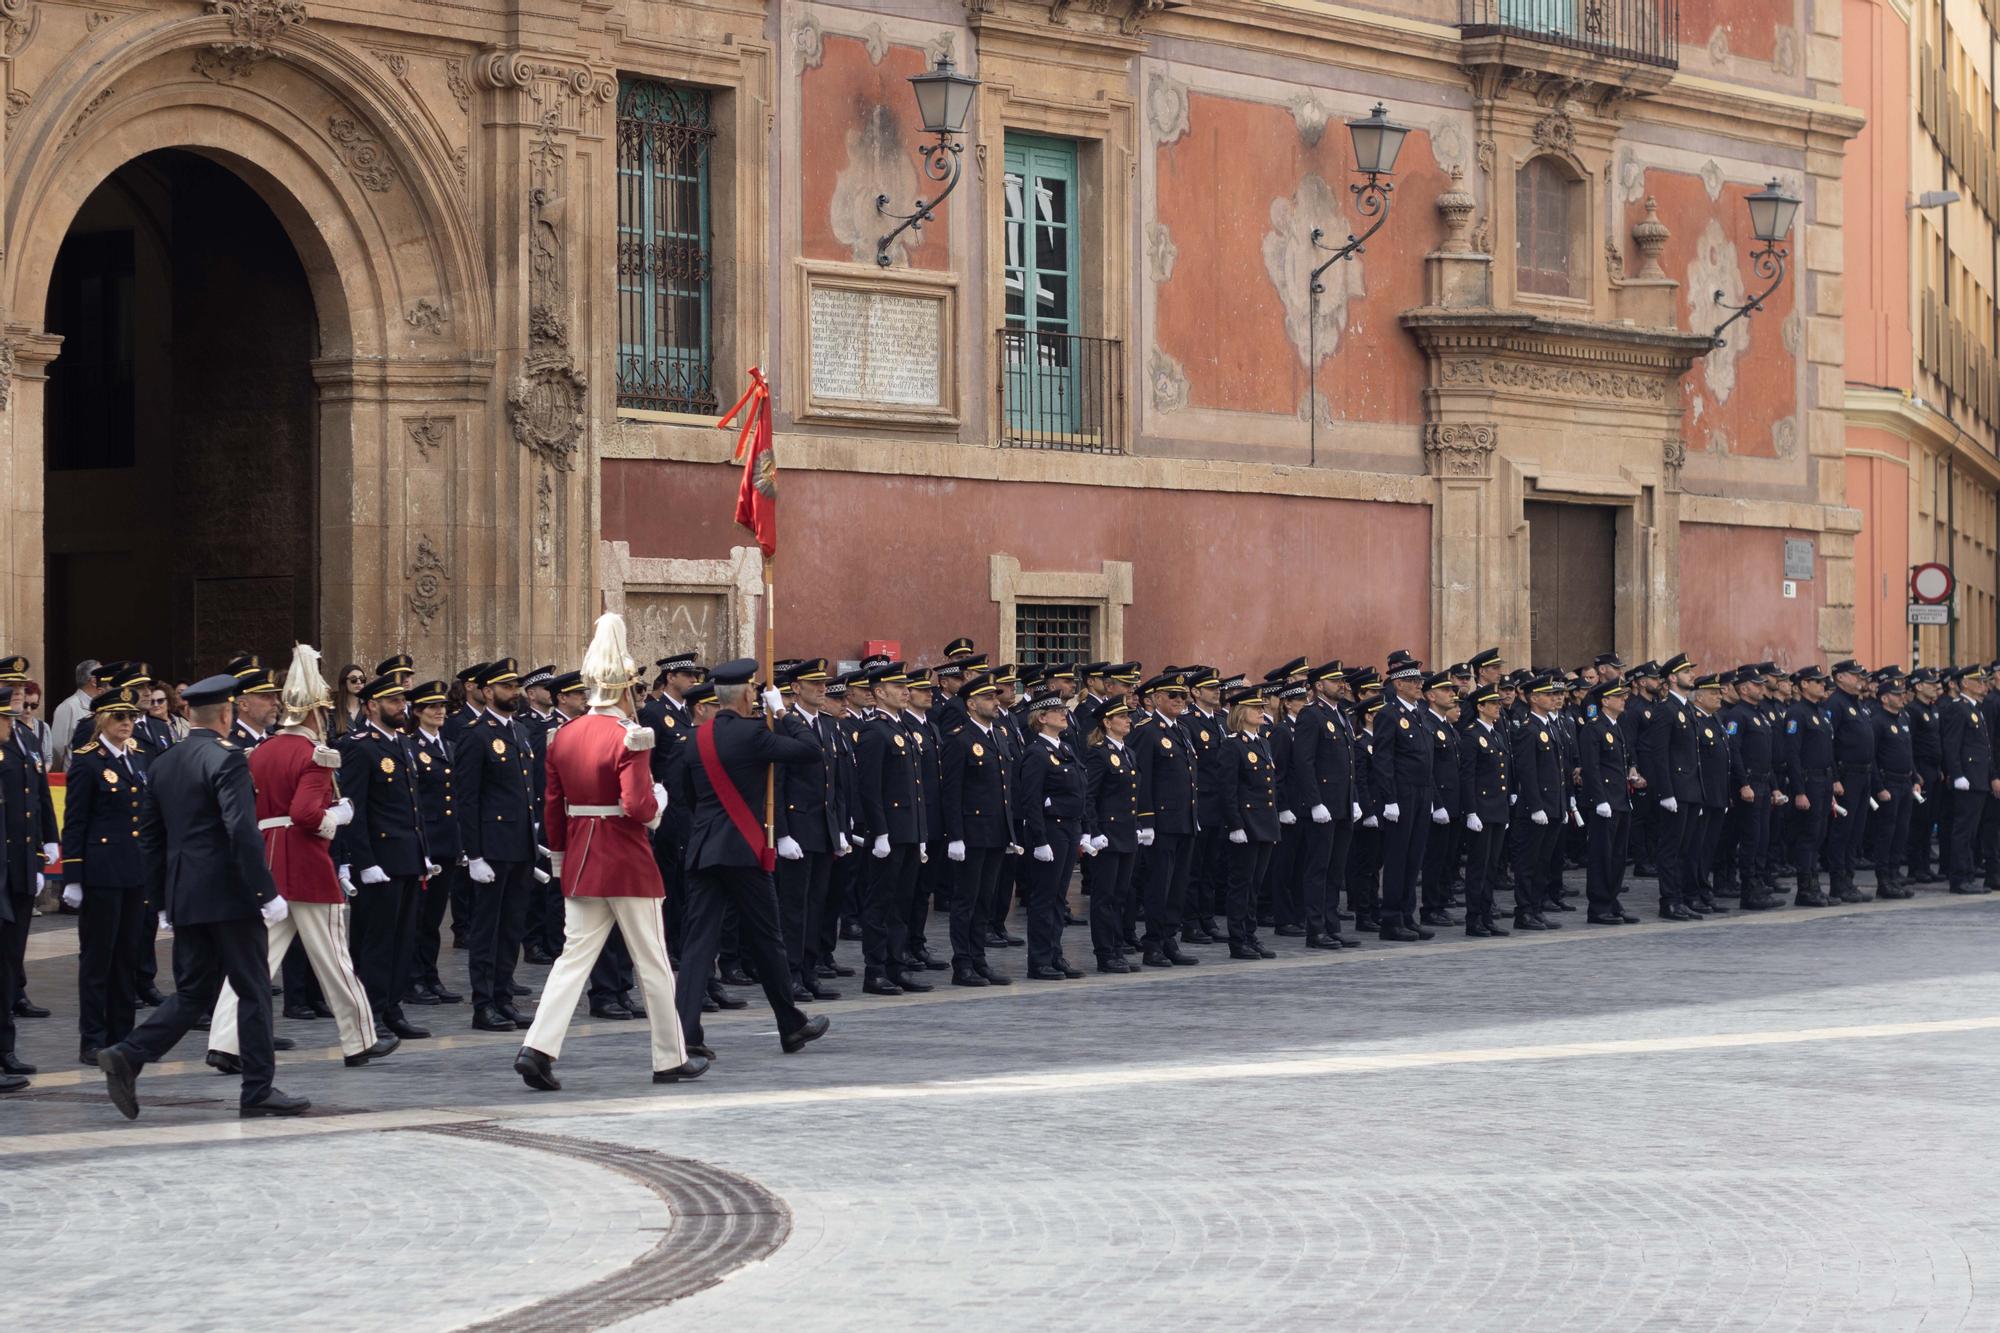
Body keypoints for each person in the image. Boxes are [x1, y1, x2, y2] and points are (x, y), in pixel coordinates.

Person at [97, 674, 309, 1119]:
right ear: (228, 714)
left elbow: (150, 839)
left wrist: (161, 901)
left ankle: (130, 1053)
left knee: (194, 992)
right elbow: (241, 831)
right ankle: (257, 1090)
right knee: (253, 989)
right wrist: (264, 892)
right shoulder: (228, 759)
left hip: (186, 893)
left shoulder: (164, 760)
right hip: (230, 895)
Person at [515, 613, 706, 1091]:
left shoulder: (562, 736)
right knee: (653, 960)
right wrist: (660, 800)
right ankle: (669, 1057)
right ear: (625, 687)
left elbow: (553, 809)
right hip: (626, 859)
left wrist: (559, 857)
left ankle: (537, 1047)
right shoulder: (631, 736)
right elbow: (638, 807)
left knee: (572, 959)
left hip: (581, 857)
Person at [208, 644, 393, 1073]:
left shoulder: (261, 752)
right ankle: (359, 1039)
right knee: (334, 958)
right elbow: (306, 815)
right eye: (324, 712)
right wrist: (337, 816)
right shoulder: (316, 755)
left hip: (267, 863)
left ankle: (225, 1042)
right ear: (314, 714)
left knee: (254, 960)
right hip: (305, 863)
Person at [672, 659, 829, 1058]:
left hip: (705, 850)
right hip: (743, 849)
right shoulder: (756, 733)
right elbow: (811, 751)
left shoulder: (696, 738)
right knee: (769, 939)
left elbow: (690, 798)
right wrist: (781, 711)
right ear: (747, 694)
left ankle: (684, 1033)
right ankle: (790, 1024)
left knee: (697, 945)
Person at [333, 670, 433, 1042]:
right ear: (372, 705)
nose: (401, 706)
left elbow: (412, 803)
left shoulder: (404, 743)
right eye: (393, 701)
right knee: (376, 941)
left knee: (403, 938)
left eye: (402, 700)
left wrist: (423, 851)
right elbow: (352, 810)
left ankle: (392, 1007)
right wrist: (364, 861)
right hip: (379, 859)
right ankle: (370, 1012)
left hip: (407, 854)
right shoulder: (359, 745)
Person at [62, 685, 152, 1064]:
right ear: (102, 721)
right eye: (119, 717)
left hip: (133, 871)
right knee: (98, 958)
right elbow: (76, 821)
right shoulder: (87, 762)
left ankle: (123, 1034)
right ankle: (93, 1037)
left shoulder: (138, 758)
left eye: (131, 717)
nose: (127, 723)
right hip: (101, 872)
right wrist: (73, 876)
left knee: (126, 957)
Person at [456, 657, 540, 1031]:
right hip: (491, 847)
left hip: (519, 846)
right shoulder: (475, 735)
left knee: (511, 927)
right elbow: (467, 799)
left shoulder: (519, 731)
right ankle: (483, 1003)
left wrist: (534, 843)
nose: (514, 693)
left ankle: (503, 996)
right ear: (487, 691)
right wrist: (473, 854)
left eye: (516, 686)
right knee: (487, 929)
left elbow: (526, 793)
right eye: (506, 687)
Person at [855, 664, 933, 995]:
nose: (905, 690)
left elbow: (915, 789)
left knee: (902, 901)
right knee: (880, 903)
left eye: (905, 685)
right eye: (896, 685)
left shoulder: (900, 729)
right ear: (879, 693)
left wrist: (920, 833)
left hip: (909, 831)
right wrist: (880, 832)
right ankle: (875, 970)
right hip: (889, 833)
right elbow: (869, 788)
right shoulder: (875, 732)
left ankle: (895, 965)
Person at [773, 659, 846, 1001]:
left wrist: (840, 828)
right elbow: (779, 783)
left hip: (823, 828)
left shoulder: (829, 726)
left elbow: (835, 784)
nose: (822, 689)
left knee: (818, 904)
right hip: (797, 828)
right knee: (794, 907)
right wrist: (782, 833)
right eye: (814, 683)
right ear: (796, 688)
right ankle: (790, 974)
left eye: (824, 684)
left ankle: (810, 969)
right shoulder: (785, 726)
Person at [940, 671, 1018, 986]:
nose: (994, 702)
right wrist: (955, 836)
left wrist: (1010, 832)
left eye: (995, 697)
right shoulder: (960, 739)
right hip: (971, 833)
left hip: (996, 832)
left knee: (985, 900)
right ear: (971, 704)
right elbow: (951, 792)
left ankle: (979, 958)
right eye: (987, 698)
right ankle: (963, 963)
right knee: (966, 901)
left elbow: (1004, 788)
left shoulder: (998, 735)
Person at [1013, 689, 1088, 979]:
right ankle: (1040, 960)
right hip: (1050, 832)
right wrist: (1040, 839)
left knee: (1058, 897)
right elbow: (1030, 800)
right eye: (1057, 711)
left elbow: (1079, 791)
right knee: (1044, 898)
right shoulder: (1035, 753)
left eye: (1063, 710)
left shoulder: (1065, 749)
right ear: (1041, 718)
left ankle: (1056, 954)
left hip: (1069, 829)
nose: (1064, 714)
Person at [405, 679, 466, 1008]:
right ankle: (413, 978)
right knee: (418, 916)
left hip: (446, 841)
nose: (439, 711)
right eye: (431, 706)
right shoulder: (411, 747)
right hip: (425, 842)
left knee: (433, 918)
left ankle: (430, 976)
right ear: (417, 712)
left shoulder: (449, 746)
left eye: (441, 705)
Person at [1217, 687, 1279, 961]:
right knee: (1241, 884)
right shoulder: (1232, 745)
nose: (1261, 711)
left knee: (1256, 884)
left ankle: (1250, 934)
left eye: (1262, 707)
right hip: (1245, 823)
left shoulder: (1262, 742)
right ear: (1241, 713)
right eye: (1256, 708)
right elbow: (1227, 789)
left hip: (1264, 821)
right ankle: (1237, 938)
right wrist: (1235, 824)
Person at [1082, 698, 1140, 973]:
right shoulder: (1098, 753)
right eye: (1122, 716)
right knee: (1104, 896)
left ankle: (1118, 947)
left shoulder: (1128, 752)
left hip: (1126, 832)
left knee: (1121, 895)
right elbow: (1089, 796)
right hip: (1107, 834)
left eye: (1128, 715)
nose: (1128, 720)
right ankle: (1105, 953)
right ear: (1107, 722)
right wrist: (1093, 831)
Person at [1458, 684, 1513, 937]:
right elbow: (1467, 776)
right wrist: (1470, 811)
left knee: (1491, 866)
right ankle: (1474, 919)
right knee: (1478, 867)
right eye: (1493, 703)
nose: (1497, 707)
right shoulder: (1471, 735)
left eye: (1498, 703)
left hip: (1497, 810)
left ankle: (1487, 915)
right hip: (1481, 810)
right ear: (1480, 706)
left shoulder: (1496, 734)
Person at [1938, 665, 1994, 896]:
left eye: (1984, 681)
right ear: (1965, 684)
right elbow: (1951, 745)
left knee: (1970, 832)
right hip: (1967, 780)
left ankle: (1967, 874)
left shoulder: (1975, 709)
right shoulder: (1957, 709)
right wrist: (1958, 774)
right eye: (1978, 681)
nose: (1983, 685)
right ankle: (1960, 878)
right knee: (1963, 831)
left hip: (1978, 779)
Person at [1869, 676, 1918, 900]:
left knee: (1901, 832)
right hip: (1888, 783)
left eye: (1902, 695)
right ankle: (1884, 881)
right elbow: (1872, 757)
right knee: (1886, 833)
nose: (1902, 698)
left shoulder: (1903, 718)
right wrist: (1879, 787)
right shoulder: (1878, 721)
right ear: (1885, 698)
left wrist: (1915, 777)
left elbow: (1908, 751)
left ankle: (1894, 875)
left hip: (1905, 782)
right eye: (1897, 696)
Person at [49, 658, 102, 769]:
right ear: (94, 681)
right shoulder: (68, 707)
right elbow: (57, 748)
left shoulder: (102, 706)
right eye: (103, 675)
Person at [333, 663, 367, 734]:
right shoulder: (333, 708)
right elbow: (331, 739)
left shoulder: (370, 707)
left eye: (362, 679)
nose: (359, 682)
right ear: (344, 682)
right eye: (353, 679)